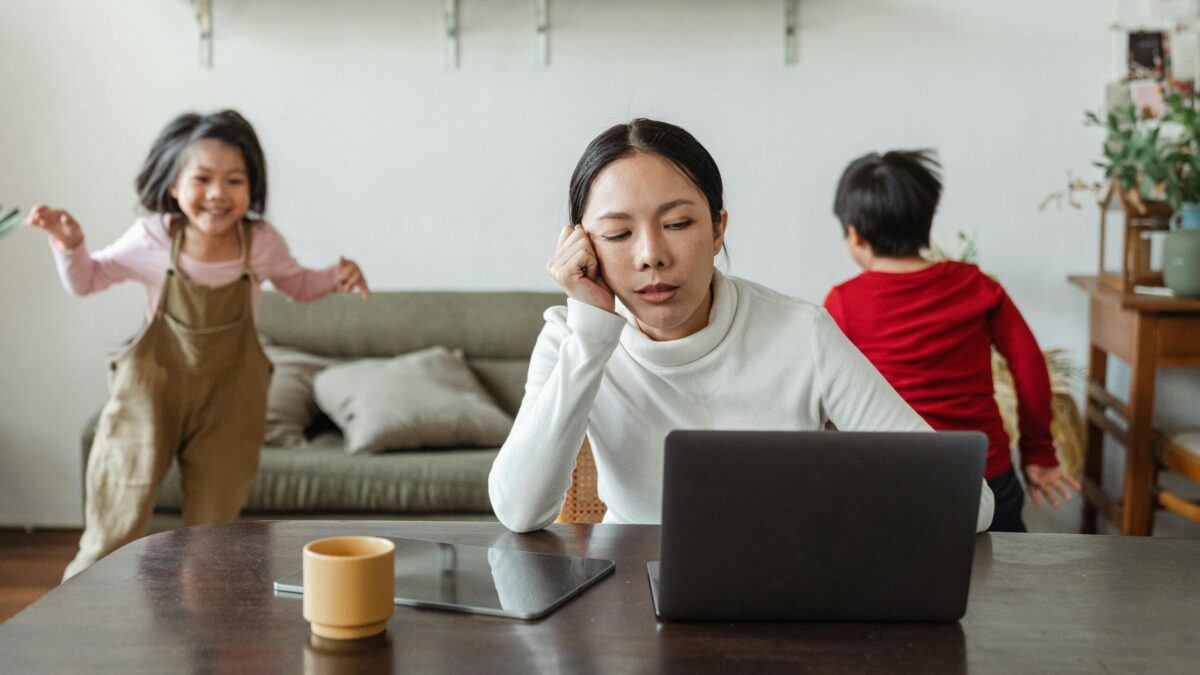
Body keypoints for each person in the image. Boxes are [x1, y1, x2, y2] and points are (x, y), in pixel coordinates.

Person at [488, 119, 994, 533]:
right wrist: (591, 333)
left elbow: (970, 504)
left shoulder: (802, 333)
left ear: (717, 229)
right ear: (582, 246)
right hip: (628, 596)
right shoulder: (570, 338)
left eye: (679, 224)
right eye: (618, 233)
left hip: (781, 587)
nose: (651, 257)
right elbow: (518, 511)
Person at [28, 110, 370, 579]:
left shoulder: (261, 243)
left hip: (229, 401)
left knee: (212, 539)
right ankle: (77, 626)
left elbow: (298, 285)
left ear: (252, 187)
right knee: (113, 525)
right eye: (202, 178)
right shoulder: (152, 238)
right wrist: (70, 246)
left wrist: (336, 276)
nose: (217, 193)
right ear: (173, 185)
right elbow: (87, 280)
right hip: (151, 394)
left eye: (234, 180)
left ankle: (201, 641)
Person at [822, 149, 1079, 533]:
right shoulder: (978, 286)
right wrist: (1038, 450)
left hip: (896, 483)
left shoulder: (843, 302)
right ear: (926, 222)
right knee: (1004, 586)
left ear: (855, 236)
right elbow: (1029, 365)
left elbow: (827, 393)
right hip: (986, 477)